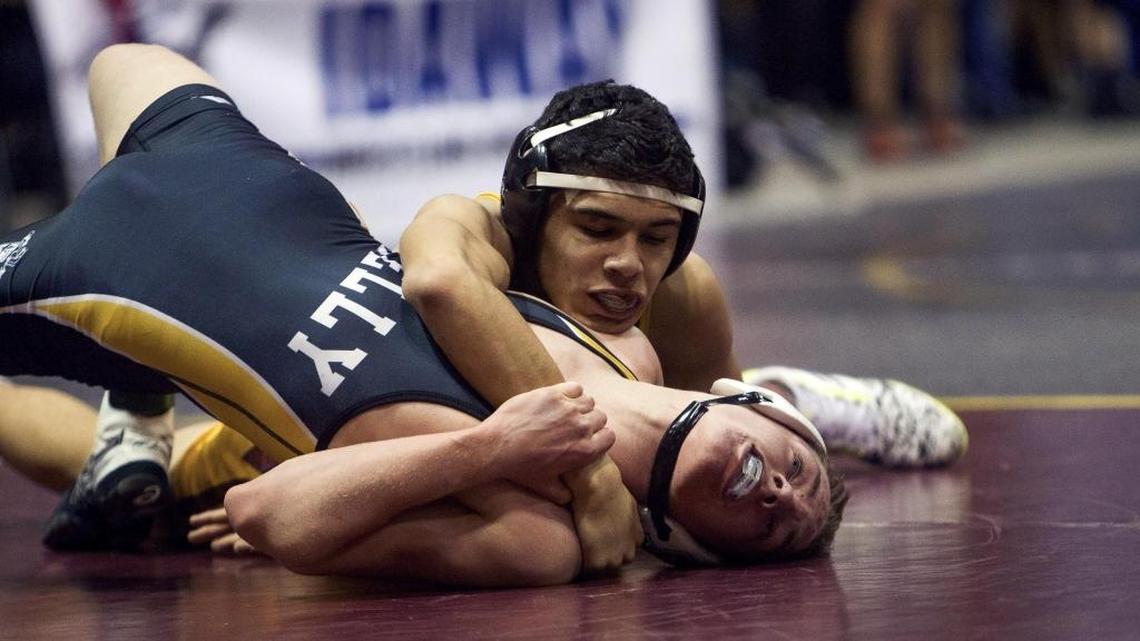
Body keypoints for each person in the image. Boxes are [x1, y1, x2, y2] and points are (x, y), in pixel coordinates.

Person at [0, 44, 845, 585]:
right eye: (795, 473)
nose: (776, 492)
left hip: (125, 283)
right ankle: (140, 396)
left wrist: (491, 449)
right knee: (122, 59)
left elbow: (270, 513)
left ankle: (135, 407)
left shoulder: (540, 536)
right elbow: (438, 283)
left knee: (151, 473)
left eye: (775, 527)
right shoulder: (611, 333)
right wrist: (586, 466)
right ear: (760, 404)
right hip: (243, 184)